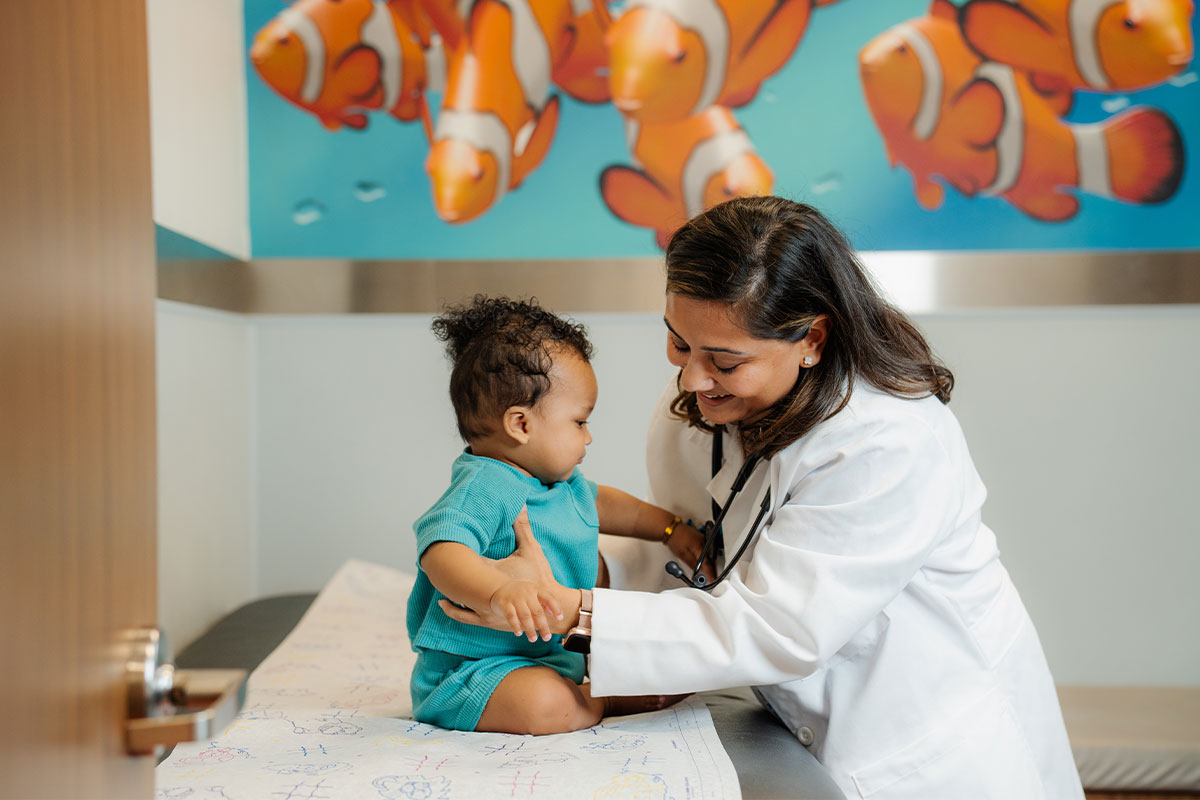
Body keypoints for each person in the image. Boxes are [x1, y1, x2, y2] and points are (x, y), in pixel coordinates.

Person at [440, 198, 1085, 797]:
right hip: (793, 722)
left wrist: (573, 612)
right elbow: (697, 551)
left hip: (931, 742)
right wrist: (578, 566)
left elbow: (781, 626)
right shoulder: (691, 414)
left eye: (724, 359)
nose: (691, 378)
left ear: (811, 339)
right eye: (678, 341)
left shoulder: (888, 440)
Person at [407, 295, 698, 735]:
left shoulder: (559, 485)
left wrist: (669, 528)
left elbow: (610, 506)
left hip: (548, 657)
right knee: (544, 704)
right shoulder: (485, 485)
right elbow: (441, 552)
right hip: (474, 675)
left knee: (602, 661)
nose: (589, 437)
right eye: (580, 422)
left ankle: (588, 687)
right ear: (521, 424)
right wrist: (498, 593)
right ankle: (604, 698)